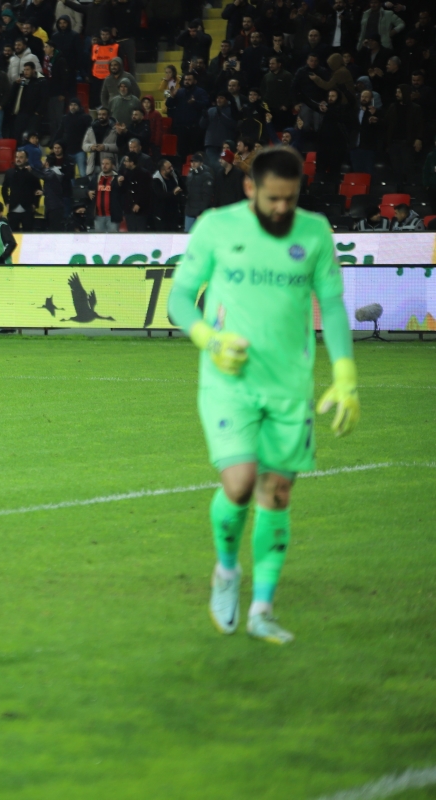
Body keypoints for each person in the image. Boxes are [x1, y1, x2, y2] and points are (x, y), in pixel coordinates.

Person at [167, 147, 360, 645]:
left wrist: (344, 374)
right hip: (229, 379)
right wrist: (209, 340)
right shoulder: (216, 226)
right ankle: (227, 573)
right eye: (273, 198)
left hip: (290, 386)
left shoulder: (314, 231)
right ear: (251, 188)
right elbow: (179, 299)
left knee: (277, 492)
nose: (281, 209)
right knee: (239, 484)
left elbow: (333, 305)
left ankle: (262, 609)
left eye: (290, 200)